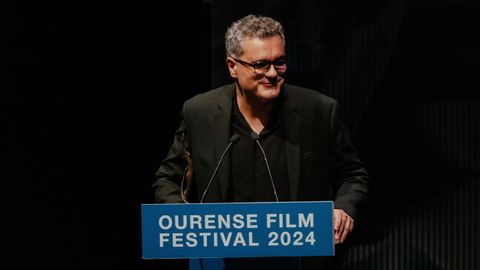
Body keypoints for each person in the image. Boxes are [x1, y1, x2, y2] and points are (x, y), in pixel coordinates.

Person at [153, 14, 370, 270]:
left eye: (279, 63)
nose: (272, 73)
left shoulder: (319, 111)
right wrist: (184, 219)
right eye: (260, 65)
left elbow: (353, 175)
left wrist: (343, 208)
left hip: (297, 261)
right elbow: (168, 179)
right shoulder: (199, 113)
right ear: (232, 66)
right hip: (220, 261)